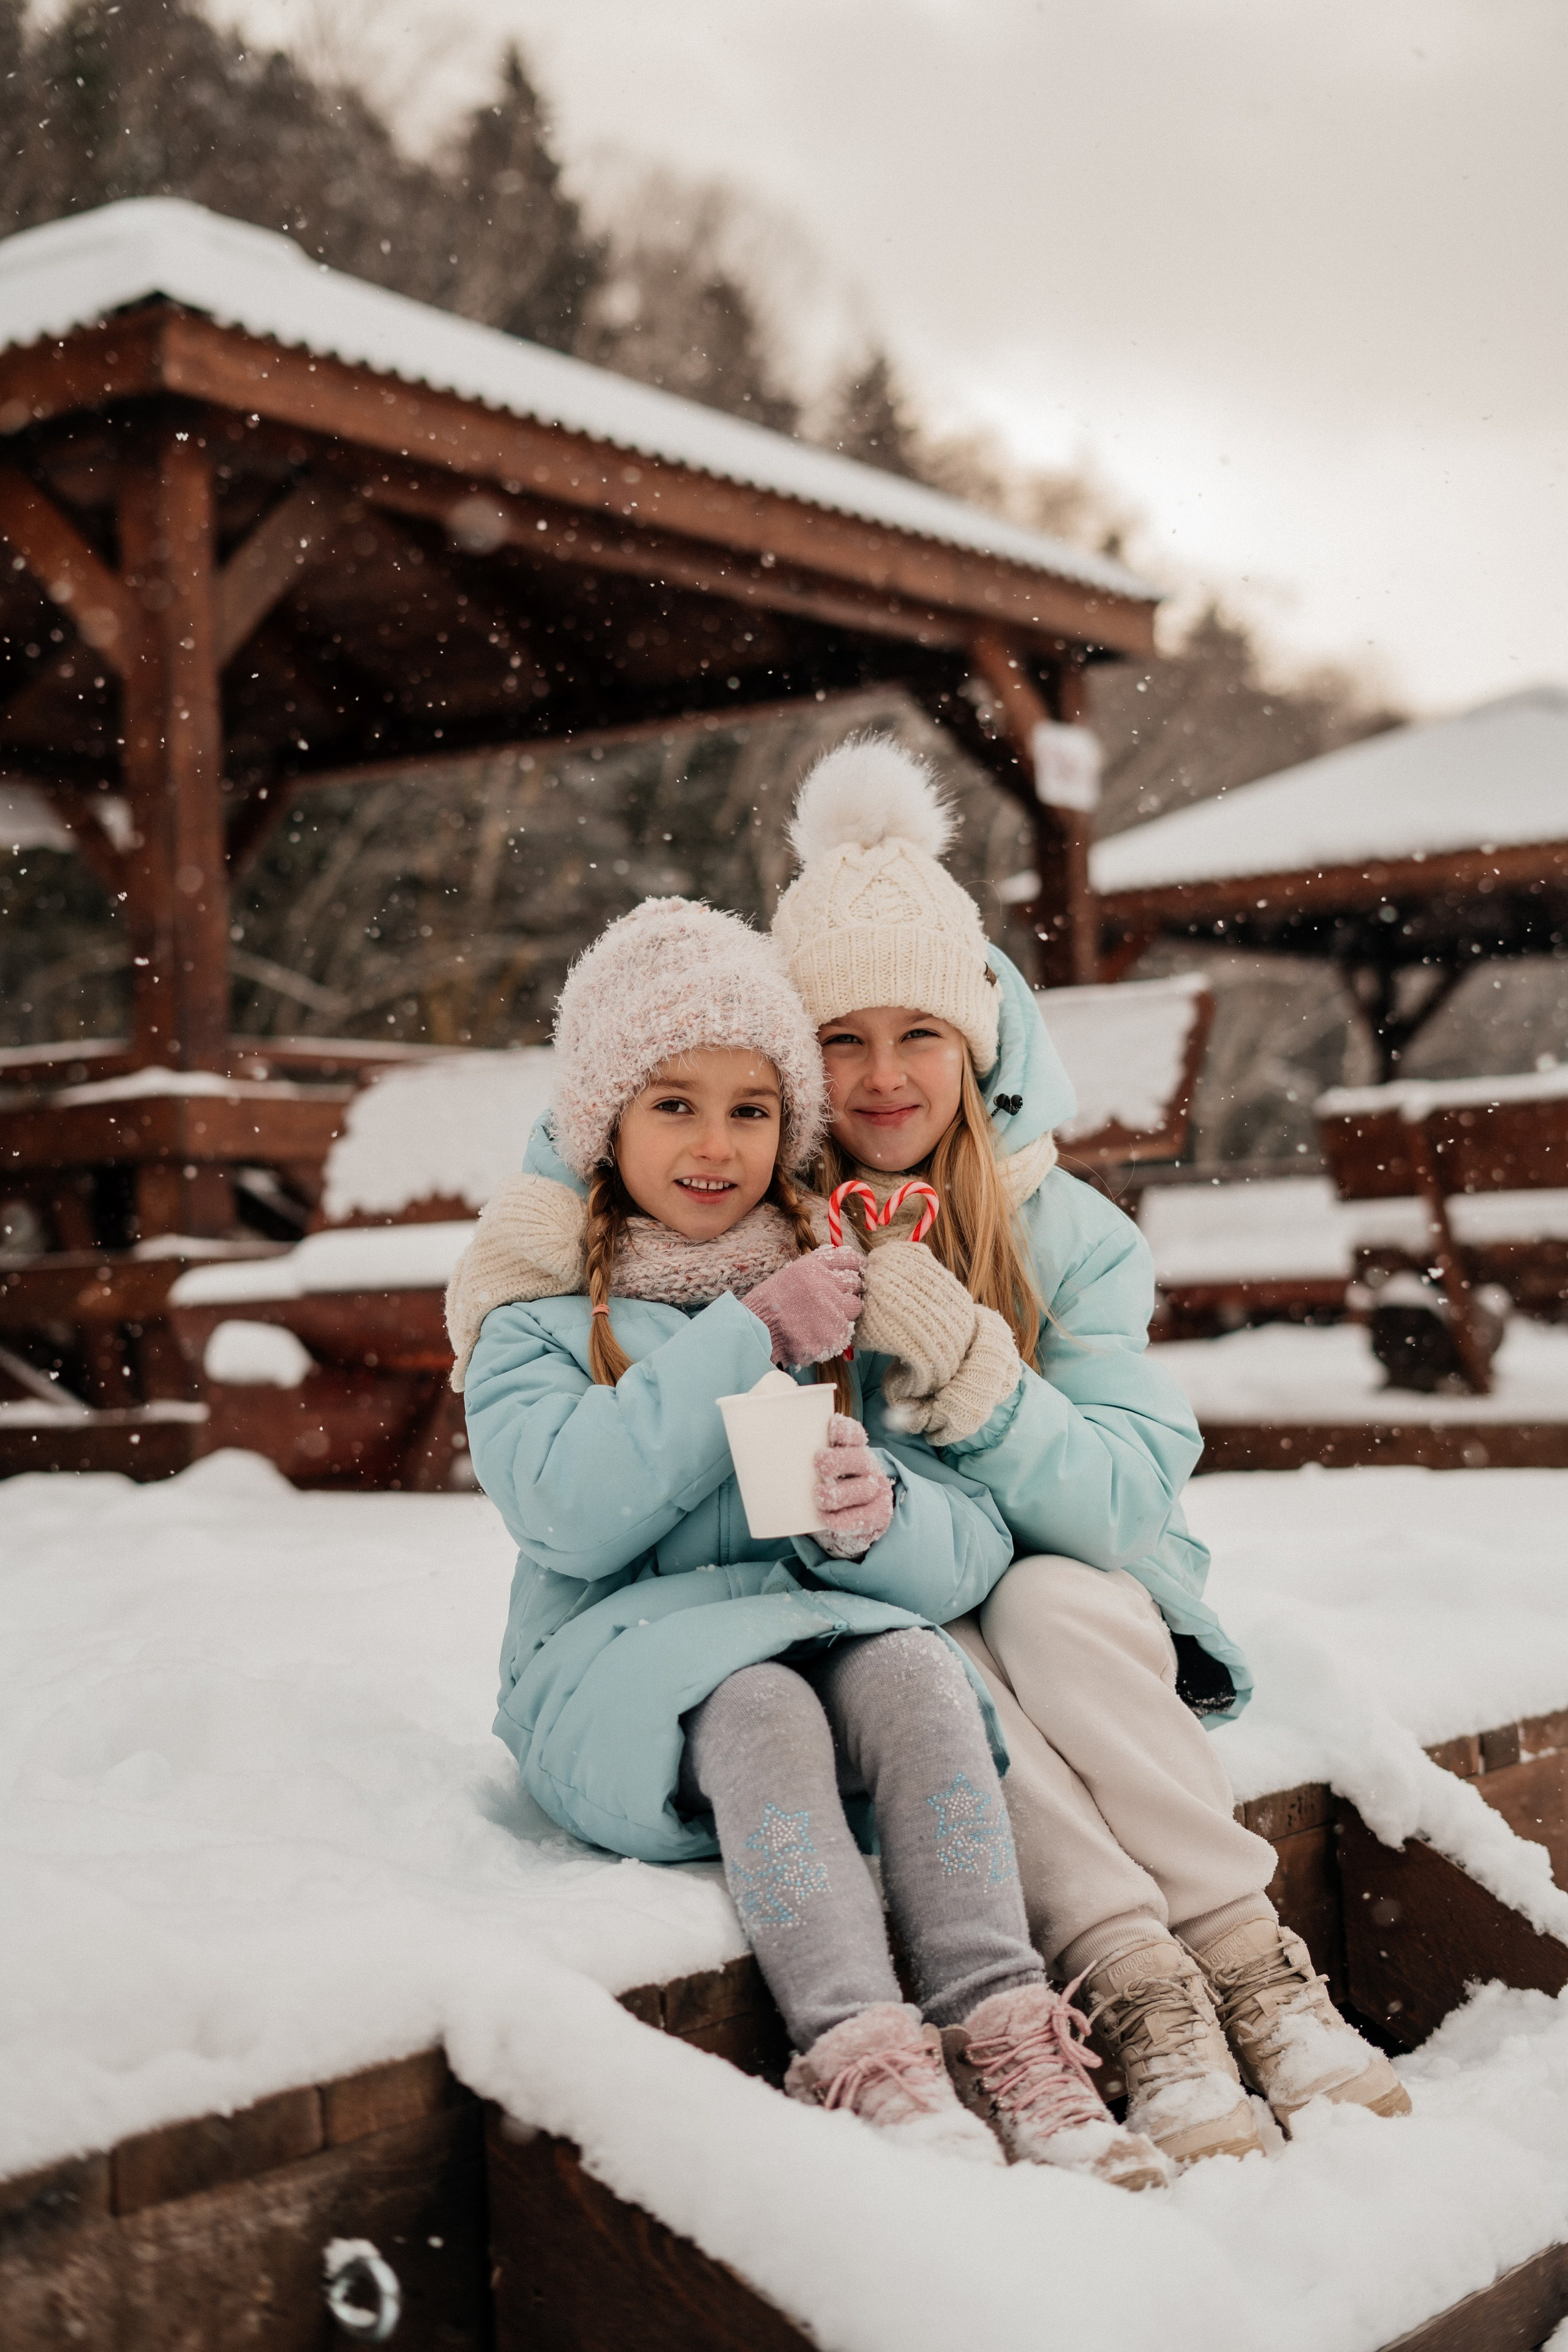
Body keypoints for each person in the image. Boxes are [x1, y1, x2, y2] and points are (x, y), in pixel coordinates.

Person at [447, 896, 1167, 2186]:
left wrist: (876, 1521)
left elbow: (967, 1553)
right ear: (601, 1123)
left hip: (803, 1628)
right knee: (763, 1707)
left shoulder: (828, 1285)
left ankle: (1010, 2029)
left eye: (751, 1108)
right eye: (671, 1104)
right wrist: (747, 1338)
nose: (714, 1144)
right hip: (616, 1679)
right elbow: (568, 1505)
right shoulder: (541, 1319)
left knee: (917, 1676)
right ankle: (860, 2049)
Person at [771, 736, 1411, 2165]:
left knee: (1041, 1603)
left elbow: (1125, 1506)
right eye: (839, 1037)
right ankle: (1132, 1988)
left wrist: (985, 1388)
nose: (882, 1077)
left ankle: (1244, 1959)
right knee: (936, 1660)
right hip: (884, 1611)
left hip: (1075, 1590)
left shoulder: (1066, 1238)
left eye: (916, 1033)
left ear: (975, 1041)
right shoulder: (756, 1230)